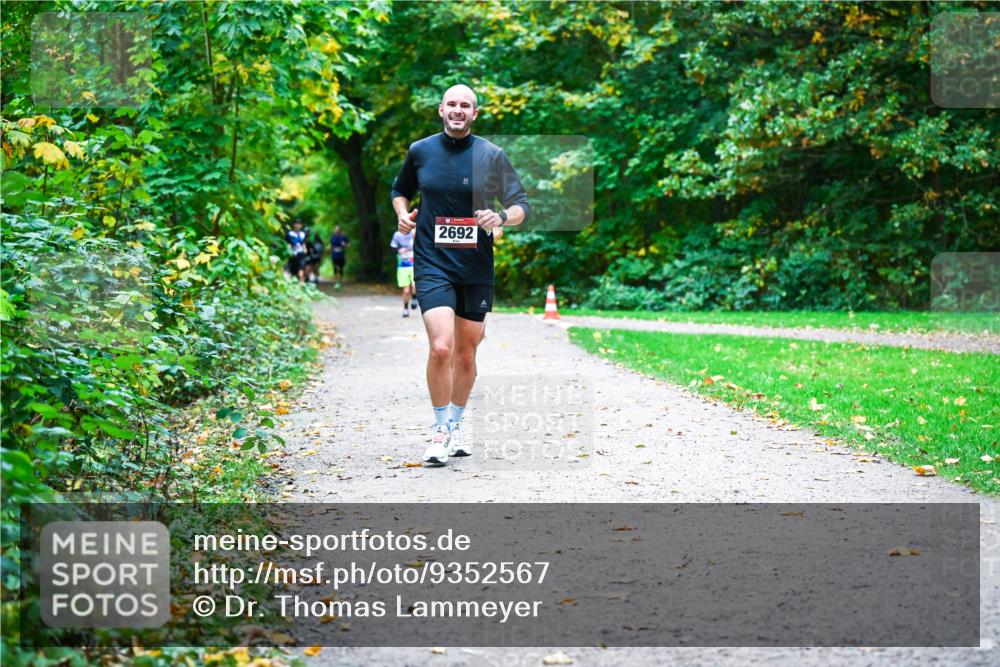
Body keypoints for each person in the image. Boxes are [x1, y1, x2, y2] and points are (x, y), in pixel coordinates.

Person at [391, 84, 529, 466]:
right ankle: (439, 430)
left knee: (466, 354)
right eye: (451, 104)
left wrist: (500, 217)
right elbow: (399, 190)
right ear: (441, 110)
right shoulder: (420, 151)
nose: (457, 110)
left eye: (464, 105)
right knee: (441, 347)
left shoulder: (491, 155)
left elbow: (521, 205)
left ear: (474, 113)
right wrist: (402, 213)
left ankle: (456, 422)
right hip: (432, 260)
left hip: (475, 265)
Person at [390, 227, 417, 317]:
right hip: (402, 266)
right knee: (406, 291)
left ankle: (414, 298)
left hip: (414, 265)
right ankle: (405, 308)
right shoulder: (397, 235)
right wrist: (398, 250)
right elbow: (392, 248)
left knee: (415, 286)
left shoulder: (413, 233)